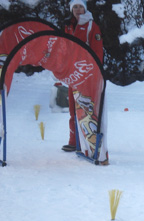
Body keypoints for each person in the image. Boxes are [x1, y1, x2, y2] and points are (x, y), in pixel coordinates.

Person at [62, 0, 103, 152]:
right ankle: (74, 140)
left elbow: (97, 51)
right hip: (72, 73)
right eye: (75, 7)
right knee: (73, 106)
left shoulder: (91, 25)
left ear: (85, 8)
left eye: (80, 6)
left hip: (87, 73)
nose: (78, 10)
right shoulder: (68, 25)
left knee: (87, 107)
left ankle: (93, 140)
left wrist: (95, 71)